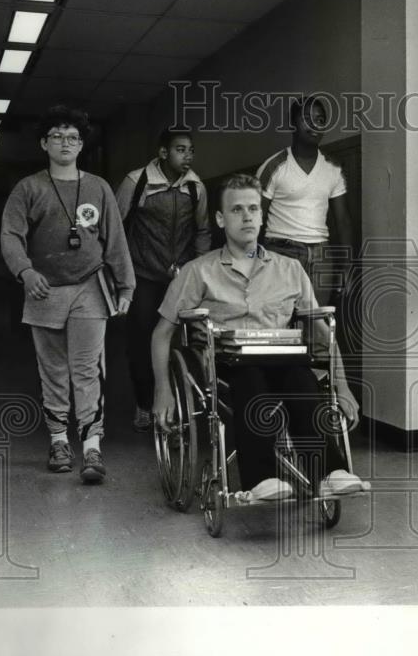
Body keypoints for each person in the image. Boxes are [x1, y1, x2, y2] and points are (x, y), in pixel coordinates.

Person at [150, 174, 362, 502]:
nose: (247, 216)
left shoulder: (290, 269)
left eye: (253, 208)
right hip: (227, 365)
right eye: (237, 210)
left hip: (283, 357)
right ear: (220, 219)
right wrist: (163, 392)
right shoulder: (198, 271)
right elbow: (162, 333)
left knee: (301, 377)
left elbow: (323, 331)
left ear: (263, 216)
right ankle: (262, 479)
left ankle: (330, 473)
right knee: (250, 379)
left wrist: (343, 386)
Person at [0, 104, 135, 484]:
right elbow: (10, 235)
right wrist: (25, 271)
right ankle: (59, 441)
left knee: (87, 369)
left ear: (81, 145)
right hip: (44, 289)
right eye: (57, 136)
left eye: (73, 137)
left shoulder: (98, 188)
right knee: (54, 371)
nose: (65, 142)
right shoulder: (29, 188)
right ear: (44, 143)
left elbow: (115, 241)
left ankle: (92, 446)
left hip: (91, 287)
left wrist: (126, 285)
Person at [115, 129, 211, 432]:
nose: (188, 156)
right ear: (163, 153)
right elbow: (116, 229)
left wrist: (199, 271)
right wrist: (120, 276)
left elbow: (203, 232)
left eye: (191, 150)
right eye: (180, 149)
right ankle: (145, 405)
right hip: (142, 275)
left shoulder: (195, 187)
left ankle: (180, 407)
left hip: (180, 278)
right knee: (143, 341)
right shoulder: (137, 181)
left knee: (184, 343)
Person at [255, 95, 354, 306]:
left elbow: (343, 221)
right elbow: (254, 216)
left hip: (321, 256)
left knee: (318, 325)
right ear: (292, 124)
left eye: (319, 119)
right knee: (281, 325)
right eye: (307, 118)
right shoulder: (274, 166)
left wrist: (347, 267)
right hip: (281, 252)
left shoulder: (333, 168)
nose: (314, 124)